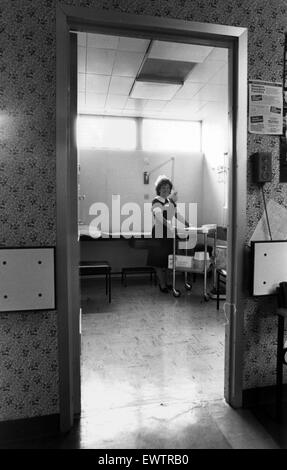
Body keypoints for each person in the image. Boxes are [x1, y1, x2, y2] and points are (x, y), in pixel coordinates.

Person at [147, 175, 188, 293]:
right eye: (163, 188)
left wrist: (187, 223)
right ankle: (162, 284)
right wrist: (170, 226)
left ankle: (167, 283)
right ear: (159, 189)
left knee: (168, 260)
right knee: (158, 261)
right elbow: (159, 217)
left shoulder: (171, 202)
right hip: (159, 233)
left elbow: (176, 214)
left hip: (169, 234)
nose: (165, 190)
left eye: (168, 188)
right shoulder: (156, 201)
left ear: (170, 190)